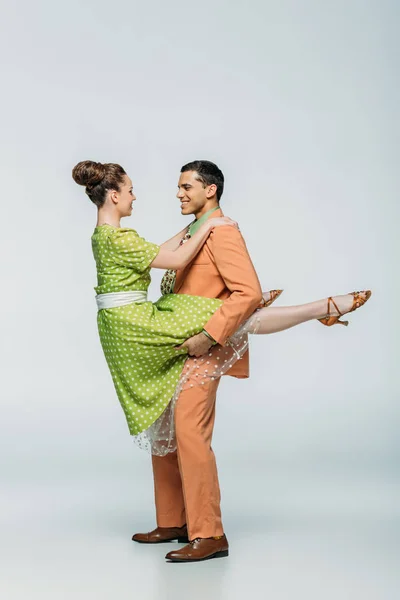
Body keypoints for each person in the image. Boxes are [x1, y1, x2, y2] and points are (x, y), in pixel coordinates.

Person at [72, 159, 371, 562]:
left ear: (209, 190)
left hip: (202, 341)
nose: (177, 193)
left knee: (189, 432)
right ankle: (173, 521)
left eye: (186, 186)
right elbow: (169, 262)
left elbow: (246, 293)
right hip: (173, 335)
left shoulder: (222, 231)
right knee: (164, 432)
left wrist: (209, 335)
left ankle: (209, 534)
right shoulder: (194, 229)